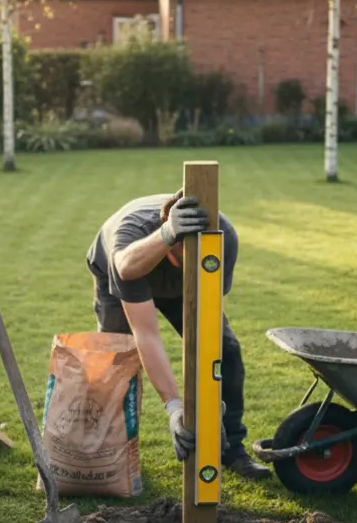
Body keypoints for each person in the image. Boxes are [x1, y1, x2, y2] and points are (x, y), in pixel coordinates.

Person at [86, 191, 270, 480]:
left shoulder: (223, 239)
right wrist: (174, 407)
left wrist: (211, 403)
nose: (200, 256)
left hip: (183, 280)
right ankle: (108, 454)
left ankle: (231, 449)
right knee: (116, 360)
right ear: (173, 249)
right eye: (189, 251)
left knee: (226, 349)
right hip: (125, 269)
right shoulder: (132, 235)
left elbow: (208, 330)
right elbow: (146, 334)